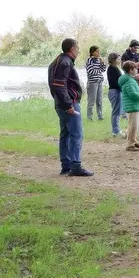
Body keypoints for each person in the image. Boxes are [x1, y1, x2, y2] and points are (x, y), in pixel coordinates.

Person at [48, 38, 93, 176]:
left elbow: (55, 85)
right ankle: (75, 166)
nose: (78, 51)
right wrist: (68, 104)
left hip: (60, 103)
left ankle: (66, 166)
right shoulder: (65, 62)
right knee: (76, 134)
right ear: (72, 49)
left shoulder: (57, 61)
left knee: (65, 134)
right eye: (77, 48)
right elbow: (59, 85)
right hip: (69, 104)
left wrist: (61, 102)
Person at [119, 61, 139, 152]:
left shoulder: (130, 80)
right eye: (135, 68)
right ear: (131, 70)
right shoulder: (129, 81)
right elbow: (133, 95)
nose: (137, 70)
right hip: (132, 106)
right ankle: (130, 144)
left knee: (134, 125)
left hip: (133, 106)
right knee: (133, 126)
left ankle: (134, 141)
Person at [85, 45, 106, 121]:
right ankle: (89, 117)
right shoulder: (89, 60)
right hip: (93, 83)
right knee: (91, 101)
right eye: (97, 51)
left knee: (99, 101)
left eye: (99, 51)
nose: (98, 53)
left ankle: (100, 116)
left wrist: (103, 63)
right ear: (92, 52)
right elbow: (91, 71)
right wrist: (99, 71)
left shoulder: (99, 60)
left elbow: (103, 70)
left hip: (100, 81)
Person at [106, 52, 123, 137]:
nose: (120, 60)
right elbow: (115, 82)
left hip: (116, 91)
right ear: (113, 59)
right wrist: (123, 89)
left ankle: (116, 130)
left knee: (118, 111)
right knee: (116, 112)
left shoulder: (115, 68)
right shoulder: (112, 69)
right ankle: (115, 131)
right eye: (118, 59)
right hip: (114, 91)